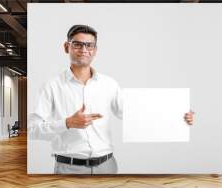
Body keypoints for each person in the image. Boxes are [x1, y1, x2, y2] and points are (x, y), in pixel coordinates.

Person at [29, 25, 195, 174]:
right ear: (67, 47)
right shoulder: (51, 86)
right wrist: (67, 123)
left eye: (89, 45)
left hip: (107, 167)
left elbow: (134, 113)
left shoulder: (109, 84)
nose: (84, 49)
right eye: (77, 44)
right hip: (68, 169)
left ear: (95, 50)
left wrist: (178, 116)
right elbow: (32, 129)